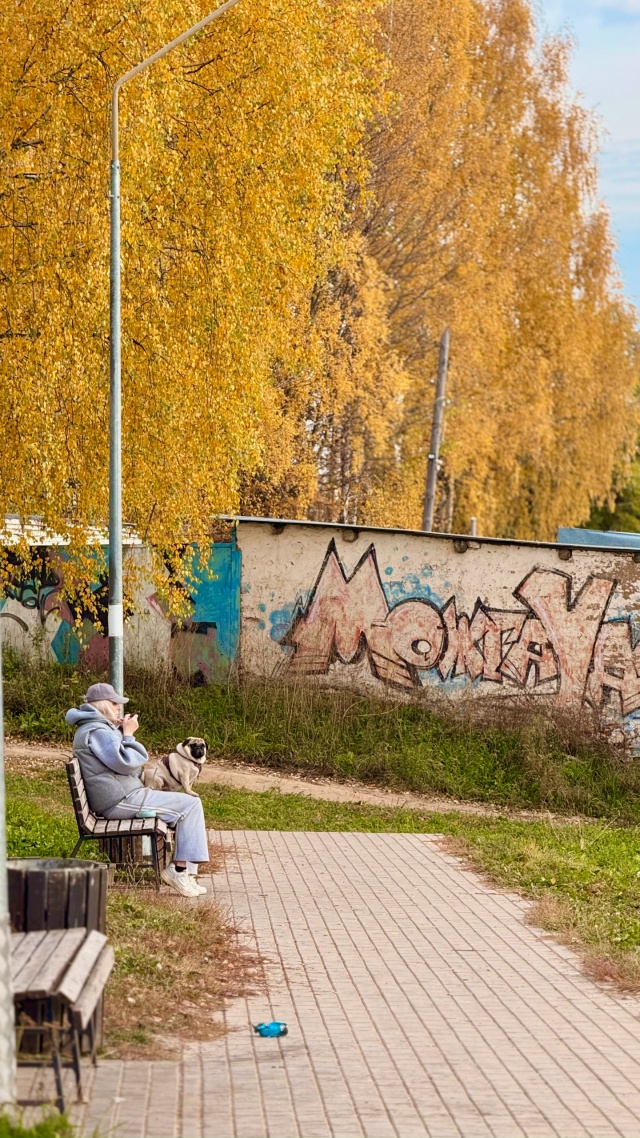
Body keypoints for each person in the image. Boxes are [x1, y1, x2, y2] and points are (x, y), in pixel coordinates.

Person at [65, 682, 209, 897]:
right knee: (190, 804)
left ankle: (185, 872)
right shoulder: (97, 731)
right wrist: (129, 734)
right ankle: (179, 871)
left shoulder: (97, 728)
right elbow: (127, 762)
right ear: (104, 705)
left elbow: (121, 760)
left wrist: (120, 731)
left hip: (121, 795)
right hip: (120, 799)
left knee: (189, 805)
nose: (118, 709)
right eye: (115, 704)